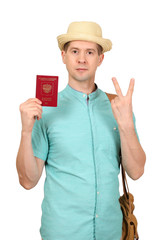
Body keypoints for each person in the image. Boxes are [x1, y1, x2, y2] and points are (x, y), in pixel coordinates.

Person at [16, 21, 146, 240]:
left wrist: (126, 127)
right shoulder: (44, 111)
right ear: (63, 56)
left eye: (90, 52)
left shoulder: (118, 108)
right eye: (75, 51)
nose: (82, 59)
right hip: (62, 233)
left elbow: (136, 171)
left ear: (100, 58)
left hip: (110, 233)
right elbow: (28, 181)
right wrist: (26, 131)